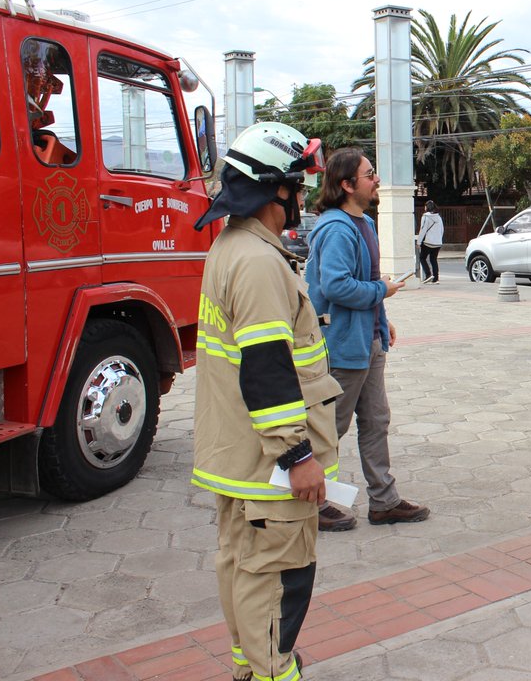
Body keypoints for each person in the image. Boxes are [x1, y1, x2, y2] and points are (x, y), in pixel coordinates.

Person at [190, 122, 339, 681]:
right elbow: (268, 370)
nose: (302, 197)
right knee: (278, 579)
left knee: (243, 570)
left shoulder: (230, 248)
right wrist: (297, 458)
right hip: (267, 469)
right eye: (298, 185)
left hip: (237, 458)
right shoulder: (256, 262)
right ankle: (272, 672)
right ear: (277, 189)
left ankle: (251, 669)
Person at [305, 148, 430, 530]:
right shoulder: (337, 228)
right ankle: (309, 504)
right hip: (343, 346)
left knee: (375, 420)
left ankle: (384, 501)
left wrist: (382, 319)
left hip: (368, 340)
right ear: (346, 185)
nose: (376, 179)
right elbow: (337, 286)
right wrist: (382, 292)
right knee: (330, 428)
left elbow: (370, 278)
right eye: (369, 174)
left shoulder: (365, 224)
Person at [416, 200, 444, 284]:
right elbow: (442, 230)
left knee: (422, 258)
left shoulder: (425, 217)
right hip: (438, 242)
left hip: (428, 242)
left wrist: (419, 242)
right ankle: (436, 278)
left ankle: (428, 274)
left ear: (426, 207)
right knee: (433, 259)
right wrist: (439, 239)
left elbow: (423, 229)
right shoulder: (438, 217)